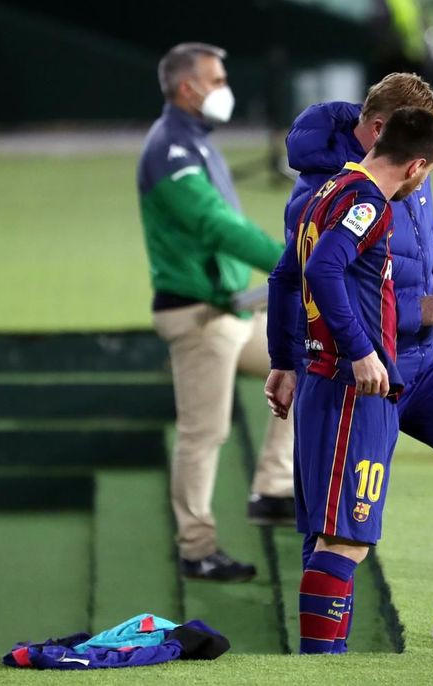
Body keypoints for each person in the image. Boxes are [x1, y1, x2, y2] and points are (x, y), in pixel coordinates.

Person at [276, 73, 433, 641]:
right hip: (363, 369)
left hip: (419, 363)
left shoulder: (408, 167)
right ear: (382, 131)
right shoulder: (333, 190)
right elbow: (307, 280)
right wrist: (289, 358)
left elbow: (432, 242)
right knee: (338, 523)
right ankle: (321, 652)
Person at [263, 108, 433, 654]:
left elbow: (285, 275)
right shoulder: (369, 203)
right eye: (430, 170)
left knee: (329, 530)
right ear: (417, 164)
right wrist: (364, 351)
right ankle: (324, 661)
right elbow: (322, 270)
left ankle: (322, 657)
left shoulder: (328, 190)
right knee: (347, 537)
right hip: (352, 387)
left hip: (322, 378)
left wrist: (284, 358)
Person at [136, 42, 295, 583]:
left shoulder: (195, 143)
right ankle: (196, 548)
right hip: (200, 315)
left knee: (309, 361)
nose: (225, 87)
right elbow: (215, 226)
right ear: (188, 88)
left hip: (233, 309)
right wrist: (292, 258)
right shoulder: (171, 150)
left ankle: (274, 489)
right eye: (217, 78)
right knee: (203, 434)